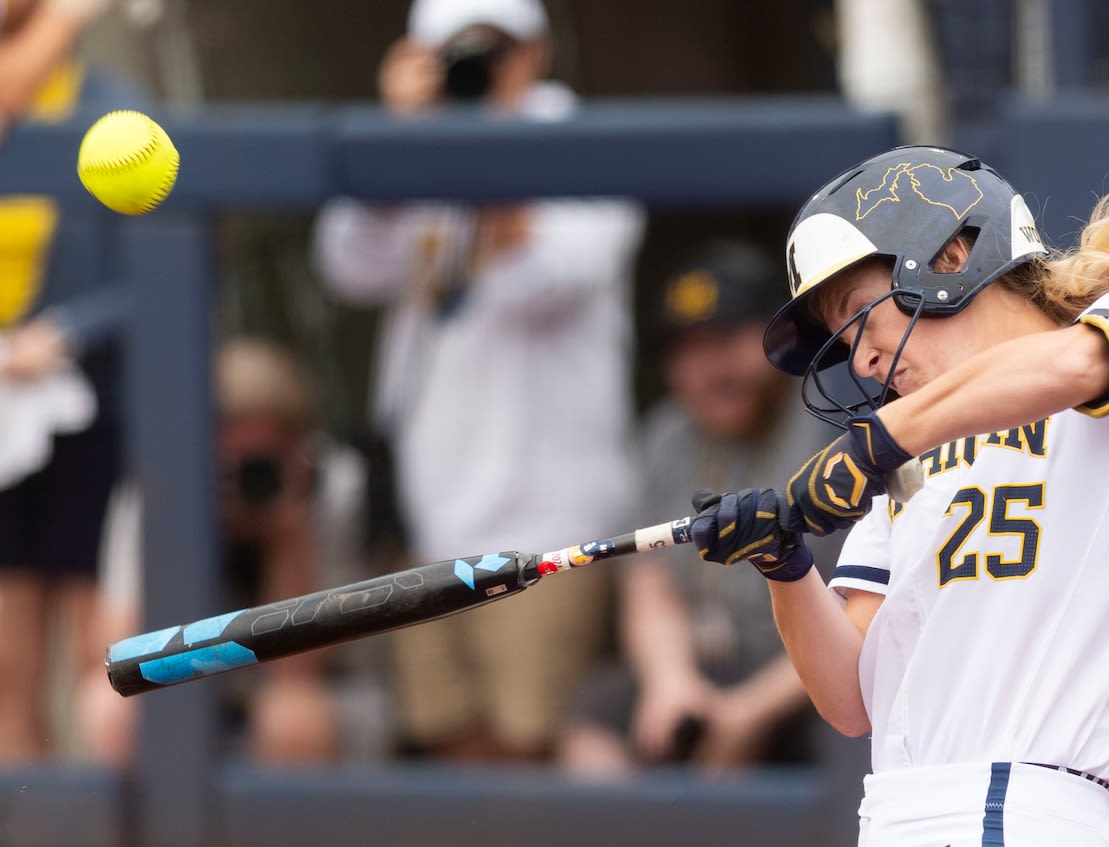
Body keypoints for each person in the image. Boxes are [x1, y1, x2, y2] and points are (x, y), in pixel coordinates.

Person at [687, 146, 1109, 845]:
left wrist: (880, 440)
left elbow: (1081, 360)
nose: (862, 360)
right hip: (895, 810)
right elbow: (851, 700)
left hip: (1017, 801)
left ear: (950, 257)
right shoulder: (906, 452)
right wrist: (785, 563)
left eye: (860, 317)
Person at [311, 0, 643, 762]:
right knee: (448, 735)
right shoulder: (416, 146)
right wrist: (400, 137)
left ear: (535, 52)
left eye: (491, 48)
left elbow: (546, 280)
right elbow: (347, 266)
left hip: (550, 507)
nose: (477, 69)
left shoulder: (582, 143)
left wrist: (482, 148)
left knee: (533, 741)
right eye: (455, 52)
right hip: (431, 505)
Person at [558, 241, 844, 777]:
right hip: (705, 663)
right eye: (687, 351)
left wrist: (748, 715)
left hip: (807, 670)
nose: (707, 370)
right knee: (598, 714)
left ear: (780, 341)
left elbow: (864, 613)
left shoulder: (831, 426)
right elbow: (650, 587)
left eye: (725, 341)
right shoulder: (670, 435)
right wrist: (671, 683)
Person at [87, 338, 392, 765]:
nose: (245, 478)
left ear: (298, 447)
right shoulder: (160, 484)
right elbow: (119, 651)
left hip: (323, 693)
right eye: (228, 460)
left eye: (261, 461)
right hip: (194, 688)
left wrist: (288, 538)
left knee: (292, 717)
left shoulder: (332, 483)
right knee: (112, 711)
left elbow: (301, 668)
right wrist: (186, 530)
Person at [0, 0, 141, 764]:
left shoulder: (117, 108)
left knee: (111, 670)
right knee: (6, 674)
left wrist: (69, 333)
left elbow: (163, 273)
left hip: (97, 419)